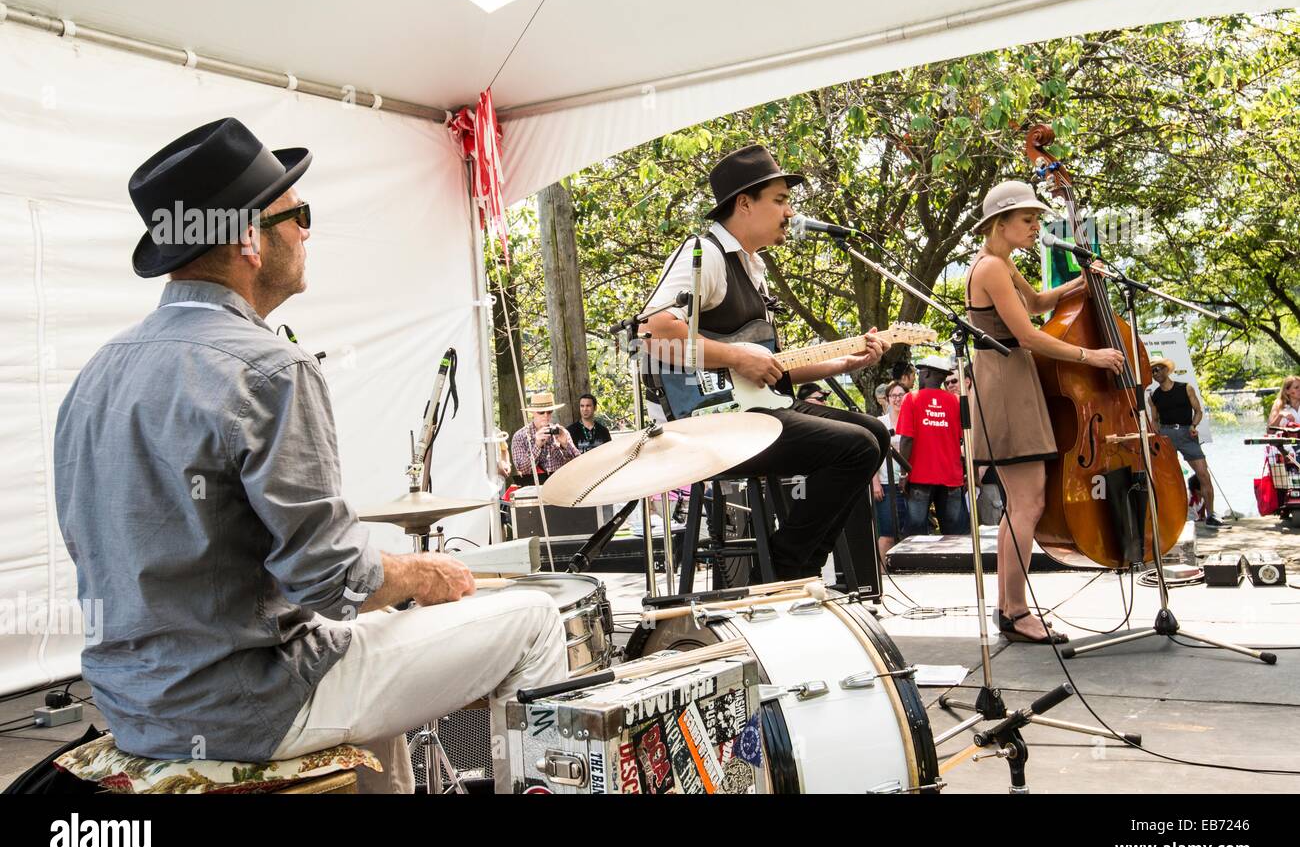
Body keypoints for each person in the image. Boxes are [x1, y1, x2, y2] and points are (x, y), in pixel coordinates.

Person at [52, 118, 567, 793]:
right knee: (535, 619)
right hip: (251, 705)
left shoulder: (95, 374)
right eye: (297, 214)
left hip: (134, 706)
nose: (306, 231)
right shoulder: (269, 369)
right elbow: (331, 579)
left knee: (364, 653)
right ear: (247, 240)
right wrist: (421, 573)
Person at [641, 144, 891, 580]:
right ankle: (787, 567)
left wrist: (841, 363)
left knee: (873, 431)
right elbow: (652, 333)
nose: (790, 212)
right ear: (744, 203)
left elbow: (767, 367)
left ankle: (793, 562)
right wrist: (737, 355)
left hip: (757, 410)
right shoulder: (706, 254)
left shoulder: (751, 267)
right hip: (710, 423)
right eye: (780, 200)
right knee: (857, 447)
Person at [965, 180, 1124, 644]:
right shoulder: (992, 267)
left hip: (1014, 378)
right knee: (1028, 502)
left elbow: (1035, 305)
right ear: (1000, 223)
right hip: (1006, 382)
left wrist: (1082, 282)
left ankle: (1010, 608)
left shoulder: (1001, 263)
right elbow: (1030, 335)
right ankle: (1013, 611)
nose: (1036, 227)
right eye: (1028, 220)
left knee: (1024, 502)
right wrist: (1091, 357)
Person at [1146, 358, 1223, 527]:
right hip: (1166, 436)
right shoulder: (1154, 396)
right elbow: (1155, 420)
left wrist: (1194, 426)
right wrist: (1156, 435)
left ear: (1167, 370)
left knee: (1203, 474)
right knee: (1166, 478)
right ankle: (1170, 518)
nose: (1156, 373)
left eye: (1158, 369)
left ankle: (1211, 515)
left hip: (1187, 433)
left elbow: (1198, 411)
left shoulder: (1185, 388)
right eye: (1153, 371)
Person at [897, 356, 968, 535]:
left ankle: (918, 565)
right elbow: (963, 439)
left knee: (915, 534)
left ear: (926, 373)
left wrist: (903, 473)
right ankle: (953, 564)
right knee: (953, 535)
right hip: (951, 477)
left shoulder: (911, 398)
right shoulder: (955, 401)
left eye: (920, 373)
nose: (918, 377)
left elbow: (906, 439)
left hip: (920, 477)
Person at [872, 381, 909, 563]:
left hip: (909, 484)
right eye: (893, 395)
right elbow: (872, 455)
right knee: (887, 532)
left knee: (908, 532)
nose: (897, 399)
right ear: (887, 399)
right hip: (886, 485)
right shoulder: (880, 423)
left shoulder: (911, 420)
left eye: (901, 395)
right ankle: (883, 573)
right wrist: (875, 483)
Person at [511, 390, 580, 482]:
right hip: (534, 487)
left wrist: (565, 444)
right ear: (533, 412)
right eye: (541, 412)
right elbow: (522, 469)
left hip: (561, 484)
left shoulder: (561, 432)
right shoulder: (520, 436)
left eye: (549, 412)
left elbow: (579, 463)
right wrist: (537, 446)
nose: (546, 415)